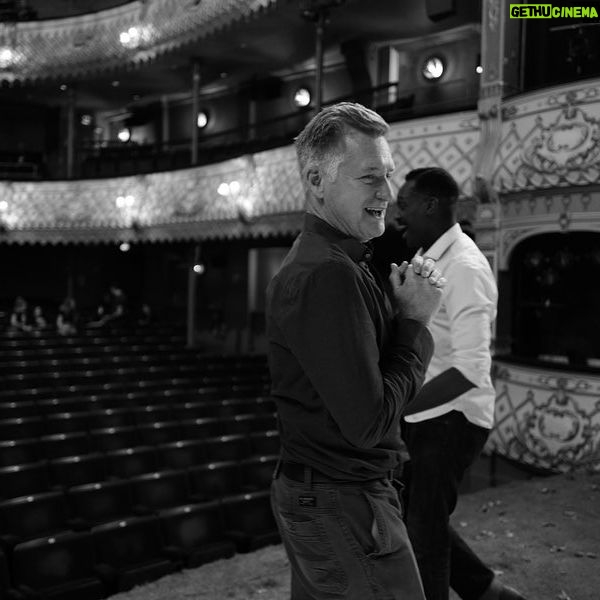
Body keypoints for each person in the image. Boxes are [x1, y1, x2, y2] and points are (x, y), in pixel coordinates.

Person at [266, 102, 447, 600]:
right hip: (341, 499)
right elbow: (368, 424)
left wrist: (396, 312)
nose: (387, 194)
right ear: (317, 181)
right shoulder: (327, 273)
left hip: (328, 494)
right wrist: (413, 321)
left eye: (387, 175)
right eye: (370, 178)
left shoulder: (337, 263)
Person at [395, 167, 525, 600]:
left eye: (405, 205)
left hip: (452, 417)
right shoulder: (429, 256)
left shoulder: (466, 266)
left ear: (430, 205)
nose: (399, 215)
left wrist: (401, 408)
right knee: (419, 517)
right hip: (428, 411)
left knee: (423, 532)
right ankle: (488, 591)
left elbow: (471, 368)